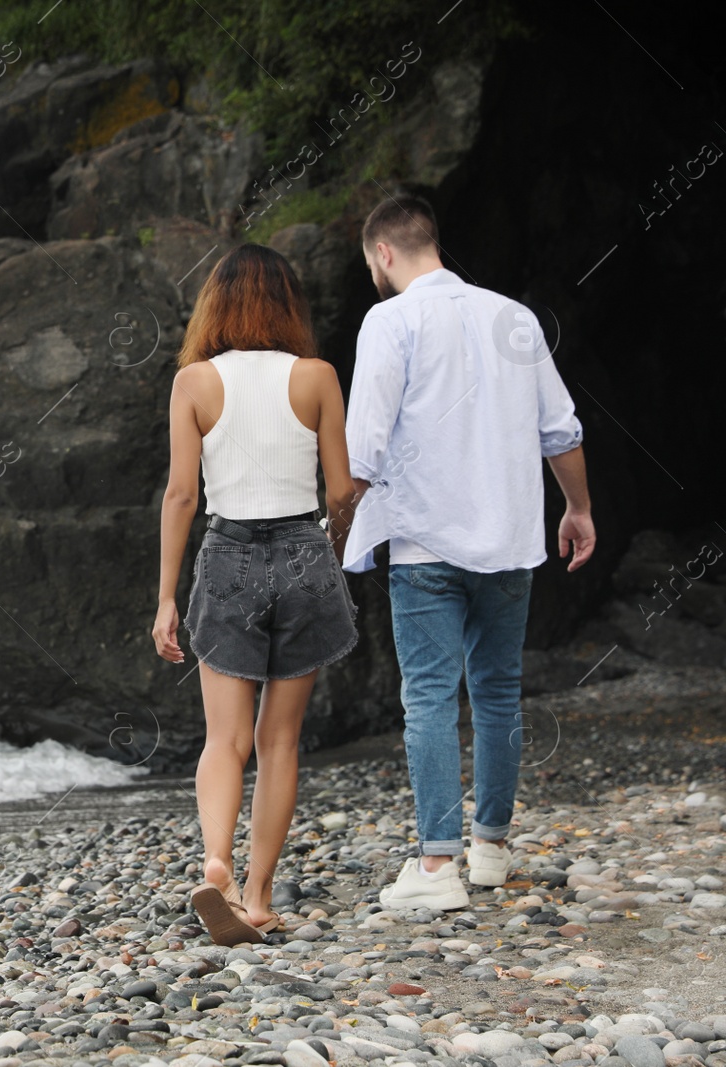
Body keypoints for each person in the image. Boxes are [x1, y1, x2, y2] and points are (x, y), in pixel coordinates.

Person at [342, 194, 595, 911]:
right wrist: (578, 508)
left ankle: (435, 866)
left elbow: (363, 448)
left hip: (426, 540)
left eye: (370, 265)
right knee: (496, 690)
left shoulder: (390, 320)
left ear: (384, 253)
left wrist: (336, 529)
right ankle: (488, 849)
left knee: (427, 696)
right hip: (511, 538)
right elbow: (563, 431)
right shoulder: (514, 317)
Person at [153, 244, 360, 946]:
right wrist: (328, 552)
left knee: (225, 737)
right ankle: (261, 896)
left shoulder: (194, 382)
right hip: (303, 551)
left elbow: (181, 494)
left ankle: (217, 862)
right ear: (287, 304)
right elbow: (340, 491)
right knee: (279, 741)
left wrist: (165, 598)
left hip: (228, 553)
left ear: (214, 304)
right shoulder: (318, 377)